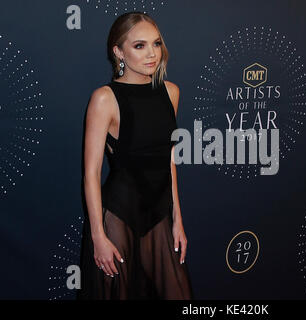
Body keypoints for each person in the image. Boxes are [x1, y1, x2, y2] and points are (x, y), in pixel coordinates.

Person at [77, 12, 193, 299]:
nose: (152, 54)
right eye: (139, 46)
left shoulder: (171, 92)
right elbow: (90, 173)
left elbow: (169, 161)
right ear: (119, 52)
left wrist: (177, 219)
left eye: (156, 44)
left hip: (159, 215)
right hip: (119, 216)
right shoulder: (105, 99)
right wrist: (97, 237)